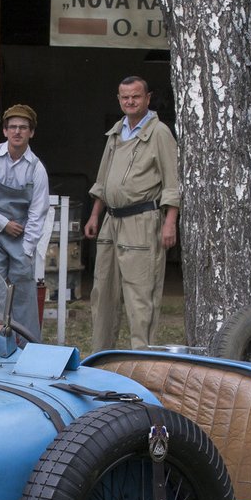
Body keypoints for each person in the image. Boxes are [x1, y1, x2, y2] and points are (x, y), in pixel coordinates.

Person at [84, 75, 180, 352]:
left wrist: (170, 222)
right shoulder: (116, 132)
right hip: (111, 221)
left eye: (135, 96)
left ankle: (142, 360)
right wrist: (95, 215)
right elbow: (103, 180)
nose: (130, 101)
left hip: (142, 221)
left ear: (147, 98)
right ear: (119, 99)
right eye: (125, 97)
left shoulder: (159, 132)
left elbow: (172, 183)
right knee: (103, 293)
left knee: (140, 295)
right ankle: (101, 357)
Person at [0, 104, 49, 340]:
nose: (17, 132)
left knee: (23, 292)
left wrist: (27, 249)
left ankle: (27, 345)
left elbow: (38, 212)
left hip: (21, 237)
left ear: (31, 133)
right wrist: (2, 222)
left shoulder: (36, 168)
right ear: (5, 130)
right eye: (13, 127)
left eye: (23, 127)